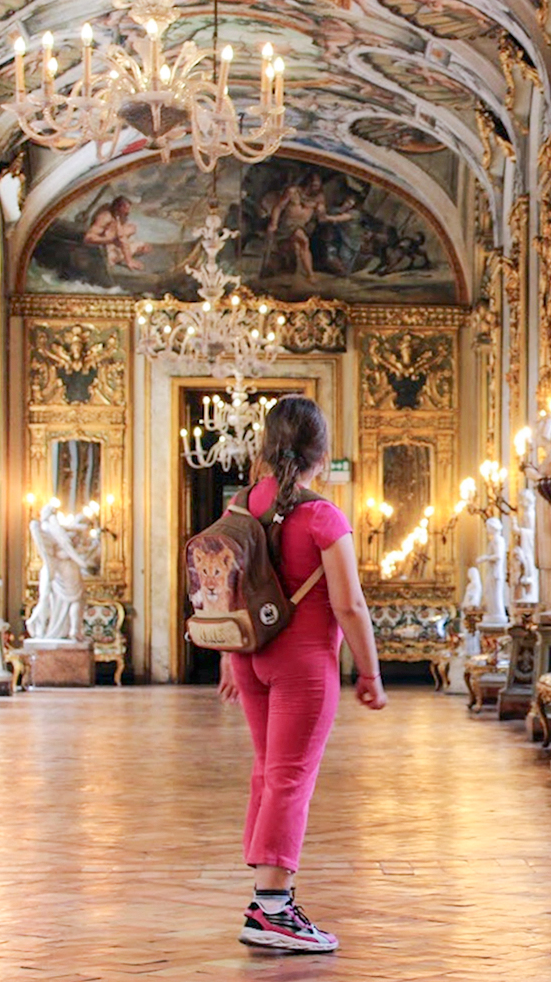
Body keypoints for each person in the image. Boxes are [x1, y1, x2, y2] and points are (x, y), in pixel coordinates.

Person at [216, 396, 386, 953]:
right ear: (322, 452)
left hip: (251, 657)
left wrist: (228, 656)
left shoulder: (241, 505)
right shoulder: (323, 517)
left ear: (267, 446)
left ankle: (264, 903)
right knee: (290, 777)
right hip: (303, 665)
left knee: (268, 772)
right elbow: (350, 606)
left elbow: (227, 590)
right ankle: (273, 908)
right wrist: (370, 673)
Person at [83, 196, 151, 271]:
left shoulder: (119, 217)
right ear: (118, 208)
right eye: (126, 209)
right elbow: (88, 238)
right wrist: (109, 240)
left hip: (113, 246)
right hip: (101, 253)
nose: (128, 212)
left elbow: (122, 238)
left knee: (144, 245)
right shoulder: (105, 218)